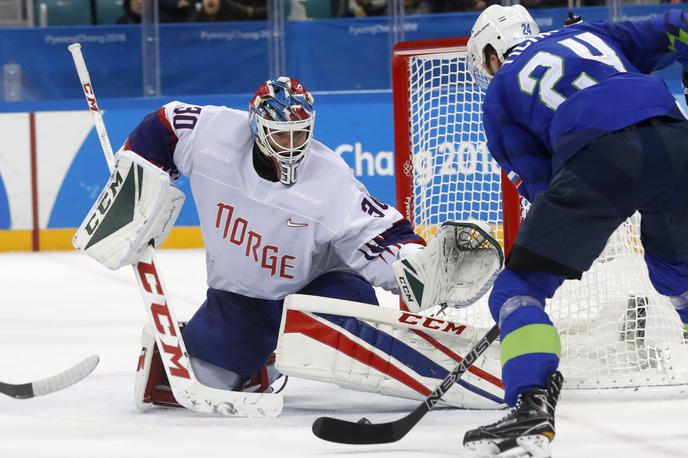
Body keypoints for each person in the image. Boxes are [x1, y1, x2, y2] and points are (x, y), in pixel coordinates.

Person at [463, 5, 688, 456]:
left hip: (598, 160)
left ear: (490, 55)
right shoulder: (594, 33)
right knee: (676, 274)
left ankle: (530, 402)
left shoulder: (501, 90)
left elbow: (544, 187)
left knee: (517, 289)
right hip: (676, 141)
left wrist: (555, 247)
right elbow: (678, 25)